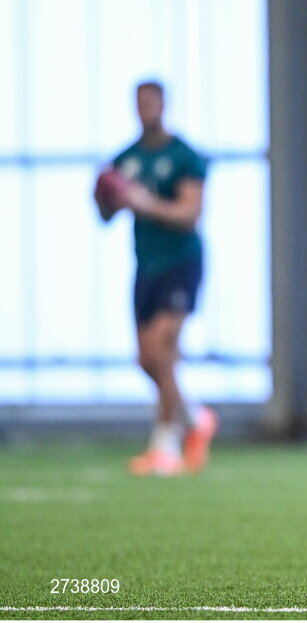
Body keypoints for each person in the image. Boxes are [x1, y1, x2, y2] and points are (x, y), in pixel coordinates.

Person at [95, 80, 217, 477]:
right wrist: (106, 196)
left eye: (152, 102)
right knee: (146, 358)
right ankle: (196, 419)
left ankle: (164, 447)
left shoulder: (183, 157)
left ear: (163, 105)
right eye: (139, 103)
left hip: (180, 262)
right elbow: (106, 215)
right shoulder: (126, 159)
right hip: (145, 265)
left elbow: (189, 214)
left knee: (163, 351)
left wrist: (144, 203)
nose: (145, 109)